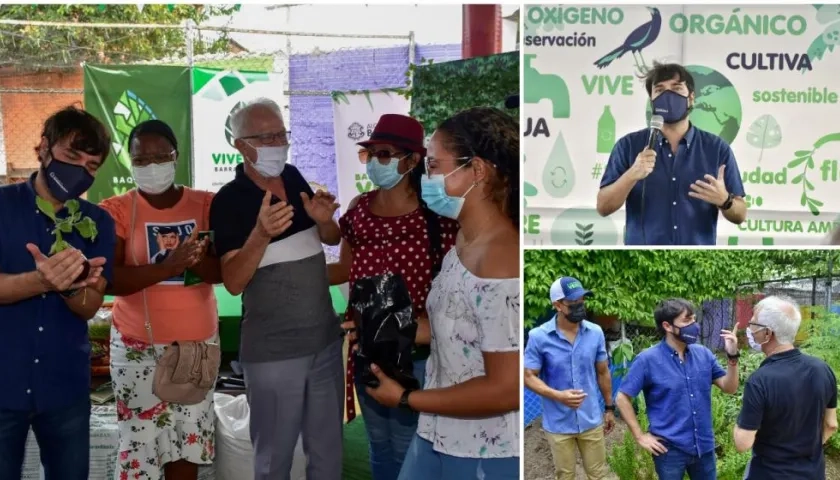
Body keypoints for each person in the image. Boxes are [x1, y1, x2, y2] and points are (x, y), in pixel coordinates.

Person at [364, 106, 520, 480]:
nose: (425, 178)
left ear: (477, 170)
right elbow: (454, 324)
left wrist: (405, 398)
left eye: (434, 166)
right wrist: (386, 325)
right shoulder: (462, 242)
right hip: (438, 432)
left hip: (485, 449)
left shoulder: (501, 261)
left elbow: (505, 389)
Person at [209, 97, 344, 480]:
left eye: (281, 134)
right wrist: (261, 234)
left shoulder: (294, 176)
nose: (276, 143)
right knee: (274, 458)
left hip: (324, 343)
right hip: (273, 354)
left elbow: (329, 236)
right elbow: (234, 282)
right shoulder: (229, 201)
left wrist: (325, 221)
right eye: (264, 136)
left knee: (327, 451)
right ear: (240, 145)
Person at [329, 113, 459, 480]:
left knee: (408, 446)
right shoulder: (357, 212)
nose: (375, 163)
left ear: (412, 160)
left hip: (416, 354)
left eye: (384, 154)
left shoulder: (437, 215)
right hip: (367, 351)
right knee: (378, 444)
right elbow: (343, 270)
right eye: (370, 155)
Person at [98, 119, 222, 480]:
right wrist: (170, 265)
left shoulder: (207, 205)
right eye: (141, 160)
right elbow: (112, 280)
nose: (151, 166)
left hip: (195, 346)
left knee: (187, 441)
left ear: (176, 156)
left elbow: (225, 275)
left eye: (160, 157)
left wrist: (199, 262)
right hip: (138, 345)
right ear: (130, 163)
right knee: (140, 445)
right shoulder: (117, 210)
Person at [0, 106, 115, 480]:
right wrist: (41, 281)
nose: (80, 171)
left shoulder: (97, 223)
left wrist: (72, 289)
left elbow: (90, 306)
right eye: (71, 157)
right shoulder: (2, 206)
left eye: (92, 166)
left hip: (64, 387)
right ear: (44, 148)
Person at [596, 62, 747, 245]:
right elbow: (603, 207)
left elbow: (740, 214)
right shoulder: (628, 146)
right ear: (651, 100)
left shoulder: (716, 149)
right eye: (659, 90)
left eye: (676, 88)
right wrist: (632, 175)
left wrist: (725, 200)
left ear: (691, 98)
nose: (668, 96)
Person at [616, 298, 740, 480]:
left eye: (694, 319)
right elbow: (622, 397)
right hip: (669, 450)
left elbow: (730, 388)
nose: (694, 325)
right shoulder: (647, 360)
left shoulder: (703, 354)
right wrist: (640, 436)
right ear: (667, 326)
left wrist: (732, 356)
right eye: (687, 320)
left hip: (704, 447)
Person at [734, 296, 838, 479]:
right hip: (812, 473)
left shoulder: (760, 381)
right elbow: (831, 424)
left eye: (753, 324)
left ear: (768, 334)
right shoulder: (823, 369)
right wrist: (806, 448)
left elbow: (743, 443)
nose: (749, 329)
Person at [524, 277, 614, 480]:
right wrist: (557, 395)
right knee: (565, 475)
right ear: (557, 305)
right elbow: (528, 376)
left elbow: (603, 371)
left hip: (590, 419)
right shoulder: (539, 337)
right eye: (573, 304)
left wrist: (609, 408)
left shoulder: (595, 332)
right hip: (558, 424)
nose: (580, 307)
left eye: (582, 301)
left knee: (599, 474)